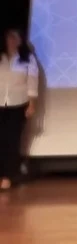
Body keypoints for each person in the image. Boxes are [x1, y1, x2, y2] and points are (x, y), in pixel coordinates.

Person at [0, 28, 38, 191]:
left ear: (20, 41)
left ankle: (8, 176)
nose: (12, 41)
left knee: (12, 140)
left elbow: (32, 82)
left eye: (15, 38)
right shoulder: (1, 57)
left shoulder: (27, 58)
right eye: (9, 38)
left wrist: (32, 103)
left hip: (18, 104)